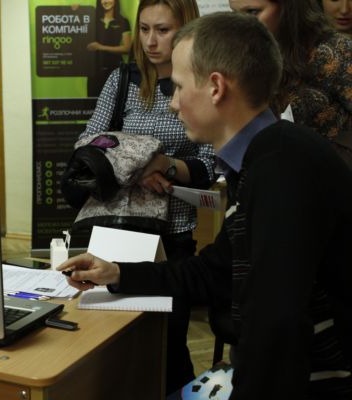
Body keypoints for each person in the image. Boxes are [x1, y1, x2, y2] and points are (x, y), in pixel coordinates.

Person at [59, 11, 352, 399]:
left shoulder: (282, 168)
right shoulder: (265, 158)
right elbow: (212, 272)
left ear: (215, 87)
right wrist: (117, 273)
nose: (173, 104)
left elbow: (276, 327)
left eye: (179, 88)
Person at [77, 0, 214, 393]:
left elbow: (208, 166)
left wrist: (166, 166)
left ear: (186, 29)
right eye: (144, 29)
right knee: (115, 339)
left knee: (169, 341)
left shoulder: (202, 82)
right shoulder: (123, 79)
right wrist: (138, 165)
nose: (151, 41)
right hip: (119, 226)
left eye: (163, 30)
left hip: (173, 233)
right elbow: (88, 142)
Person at [229, 0, 352, 141]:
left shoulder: (336, 52)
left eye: (253, 12)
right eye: (234, 13)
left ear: (287, 8)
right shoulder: (241, 55)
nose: (239, 26)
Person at [87, 0, 132, 97]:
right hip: (95, 70)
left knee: (115, 101)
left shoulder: (123, 21)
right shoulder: (92, 20)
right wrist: (75, 9)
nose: (106, 1)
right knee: (93, 102)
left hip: (115, 70)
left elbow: (127, 48)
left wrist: (100, 47)